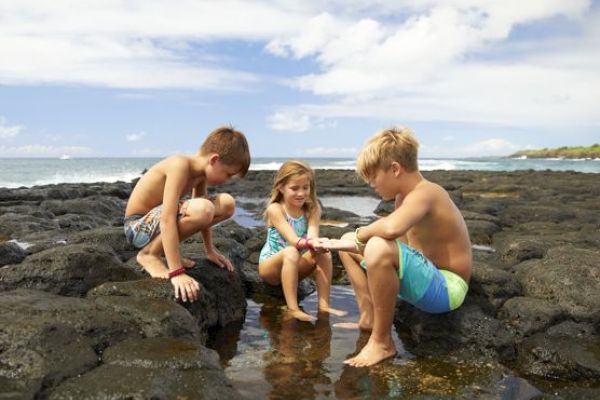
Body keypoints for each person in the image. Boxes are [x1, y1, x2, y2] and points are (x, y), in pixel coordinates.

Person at [322, 126, 472, 367]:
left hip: (447, 288)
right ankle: (368, 318)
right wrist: (349, 242)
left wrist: (360, 236)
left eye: (373, 177)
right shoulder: (403, 199)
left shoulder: (428, 192)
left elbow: (390, 230)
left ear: (394, 169)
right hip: (425, 277)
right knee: (347, 245)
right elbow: (399, 247)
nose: (371, 184)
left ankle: (382, 342)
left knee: (367, 242)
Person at [123, 126, 250, 303]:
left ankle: (162, 250)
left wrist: (210, 251)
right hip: (137, 228)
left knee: (227, 204)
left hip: (155, 225)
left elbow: (204, 217)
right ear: (214, 160)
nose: (227, 180)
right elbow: (168, 217)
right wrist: (177, 272)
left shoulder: (199, 174)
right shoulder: (179, 165)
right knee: (203, 208)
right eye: (228, 174)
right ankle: (149, 255)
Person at [258, 160, 347, 322]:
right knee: (291, 251)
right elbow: (293, 240)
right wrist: (310, 243)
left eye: (305, 188)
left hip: (293, 265)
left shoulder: (313, 208)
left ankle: (324, 305)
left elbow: (312, 236)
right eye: (294, 188)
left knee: (323, 253)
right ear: (281, 187)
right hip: (270, 267)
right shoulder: (275, 209)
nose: (301, 193)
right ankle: (293, 308)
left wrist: (320, 243)